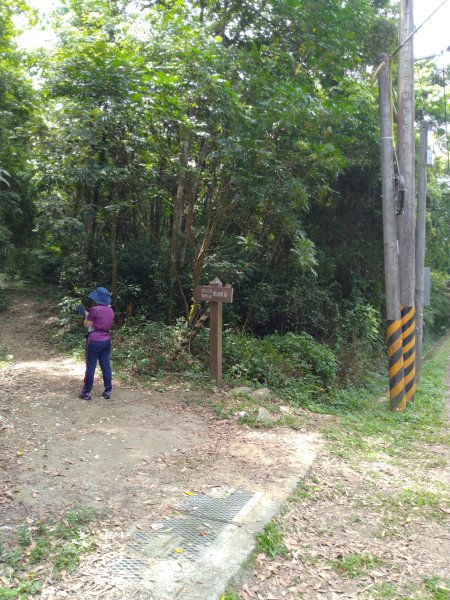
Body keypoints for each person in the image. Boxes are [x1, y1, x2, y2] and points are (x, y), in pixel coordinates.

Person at [79, 287, 115, 401]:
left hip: (94, 340)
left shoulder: (94, 310)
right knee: (106, 366)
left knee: (91, 366)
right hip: (106, 340)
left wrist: (86, 315)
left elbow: (86, 325)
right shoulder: (111, 310)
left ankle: (86, 393)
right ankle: (108, 391)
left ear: (97, 298)